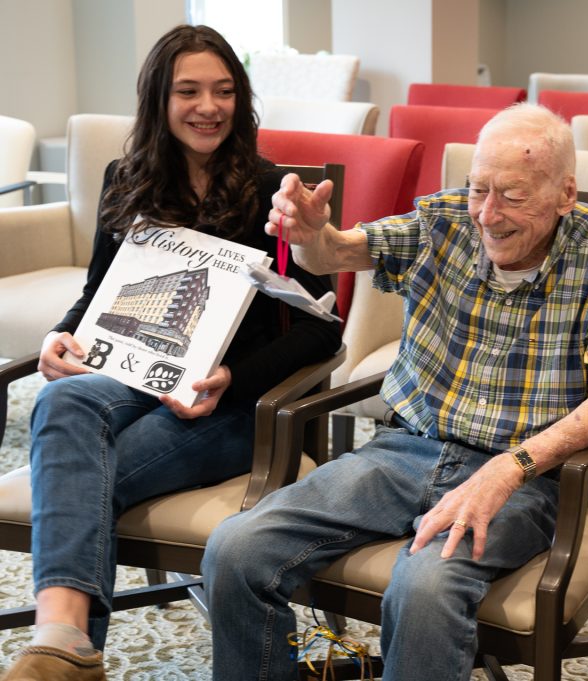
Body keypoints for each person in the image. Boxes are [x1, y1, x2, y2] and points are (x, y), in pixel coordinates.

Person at [201, 102, 588, 681]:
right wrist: (313, 236)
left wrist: (510, 469)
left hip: (524, 478)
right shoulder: (443, 222)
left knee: (425, 587)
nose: (488, 215)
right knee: (236, 550)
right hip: (401, 452)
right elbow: (339, 251)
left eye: (512, 196)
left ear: (566, 194)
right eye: (477, 190)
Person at [0, 24, 341, 681]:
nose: (208, 106)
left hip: (231, 408)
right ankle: (67, 639)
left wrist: (230, 375)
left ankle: (63, 647)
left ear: (241, 100)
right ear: (159, 98)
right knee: (65, 397)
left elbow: (324, 327)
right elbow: (99, 293)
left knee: (73, 476)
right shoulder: (125, 179)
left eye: (222, 91)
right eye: (188, 90)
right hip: (133, 376)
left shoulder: (274, 191)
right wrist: (60, 335)